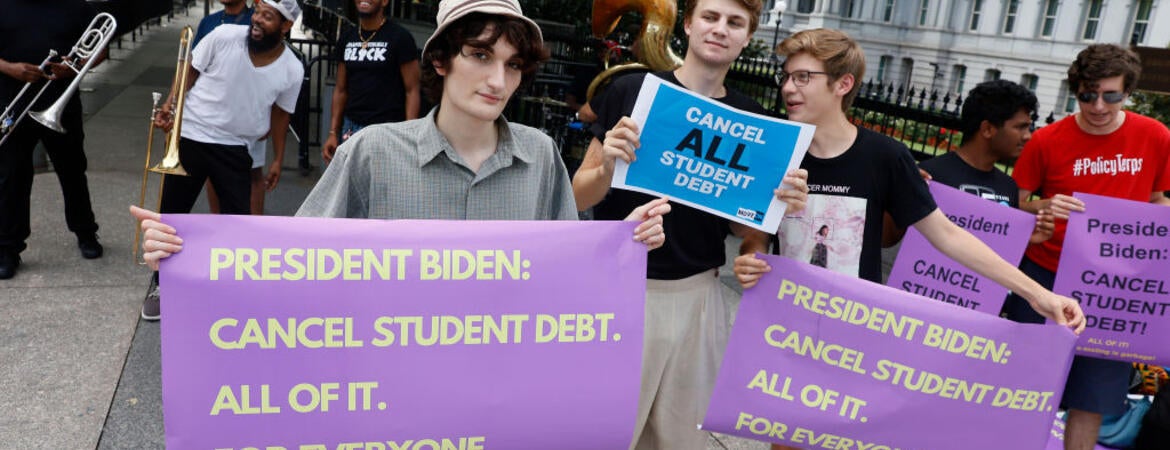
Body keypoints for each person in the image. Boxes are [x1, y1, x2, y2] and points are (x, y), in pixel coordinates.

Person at [134, 0, 669, 319]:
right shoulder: (372, 150)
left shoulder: (541, 154)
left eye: (512, 64)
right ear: (440, 59)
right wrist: (191, 259)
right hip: (390, 387)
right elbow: (289, 263)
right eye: (480, 55)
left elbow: (564, 268)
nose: (498, 80)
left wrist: (623, 241)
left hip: (499, 385)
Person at [733, 31, 1085, 450]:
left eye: (804, 77)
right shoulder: (776, 150)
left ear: (842, 84)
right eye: (787, 76)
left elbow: (948, 236)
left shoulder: (885, 156)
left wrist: (1037, 294)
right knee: (785, 441)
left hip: (855, 338)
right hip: (787, 330)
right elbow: (753, 232)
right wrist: (750, 256)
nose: (789, 88)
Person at [572, 0, 810, 448]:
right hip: (618, 287)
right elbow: (577, 194)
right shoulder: (634, 90)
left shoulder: (753, 118)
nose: (721, 29)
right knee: (600, 433)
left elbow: (742, 230)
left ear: (747, 36)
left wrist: (777, 205)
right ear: (688, 24)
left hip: (697, 296)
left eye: (735, 22)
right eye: (711, 17)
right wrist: (606, 166)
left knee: (680, 439)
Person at [1006, 43, 1170, 450]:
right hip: (1047, 277)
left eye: (1111, 96)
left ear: (1127, 91)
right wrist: (1043, 205)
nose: (1098, 106)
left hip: (1115, 288)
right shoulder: (1047, 140)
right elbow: (1016, 205)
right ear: (1075, 91)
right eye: (1087, 95)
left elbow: (1158, 200)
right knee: (1028, 388)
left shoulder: (1155, 136)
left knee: (1091, 400)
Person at [139, 0, 304, 320]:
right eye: (257, 12)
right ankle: (161, 283)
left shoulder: (292, 69)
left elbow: (282, 115)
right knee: (172, 217)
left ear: (286, 26)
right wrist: (171, 105)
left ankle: (232, 287)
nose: (257, 20)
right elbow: (189, 70)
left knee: (236, 224)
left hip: (235, 149)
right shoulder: (224, 35)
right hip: (192, 138)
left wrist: (277, 160)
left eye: (268, 17)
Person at [0, 0, 108, 280]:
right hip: (14, 105)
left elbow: (101, 49)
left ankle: (86, 233)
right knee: (11, 178)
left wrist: (74, 69)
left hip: (61, 105)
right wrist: (10, 68)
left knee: (73, 172)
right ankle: (8, 249)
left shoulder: (76, 7)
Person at [902, 79, 1055, 246]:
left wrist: (1025, 238)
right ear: (987, 129)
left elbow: (998, 246)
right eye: (1020, 127)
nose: (1028, 136)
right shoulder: (929, 176)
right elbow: (889, 238)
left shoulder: (1008, 186)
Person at [191, 0, 274, 217]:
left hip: (249, 112)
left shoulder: (258, 21)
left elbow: (273, 68)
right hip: (212, 114)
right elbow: (193, 67)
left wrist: (269, 114)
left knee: (253, 172)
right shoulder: (208, 22)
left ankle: (254, 231)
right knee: (212, 171)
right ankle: (218, 226)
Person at [320, 0, 421, 163]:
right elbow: (340, 89)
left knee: (382, 185)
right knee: (351, 184)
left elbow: (412, 90)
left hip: (388, 129)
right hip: (351, 128)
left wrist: (410, 136)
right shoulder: (347, 38)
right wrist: (333, 133)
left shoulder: (400, 38)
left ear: (385, 2)